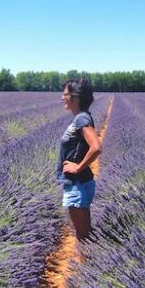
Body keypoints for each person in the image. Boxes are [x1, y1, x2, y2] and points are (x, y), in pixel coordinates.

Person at [56, 77, 101, 240]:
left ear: (76, 97)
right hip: (81, 182)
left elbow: (96, 147)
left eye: (65, 94)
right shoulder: (82, 117)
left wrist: (77, 167)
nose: (62, 97)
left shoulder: (81, 119)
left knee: (82, 237)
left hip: (77, 184)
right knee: (86, 234)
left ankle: (86, 257)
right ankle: (91, 254)